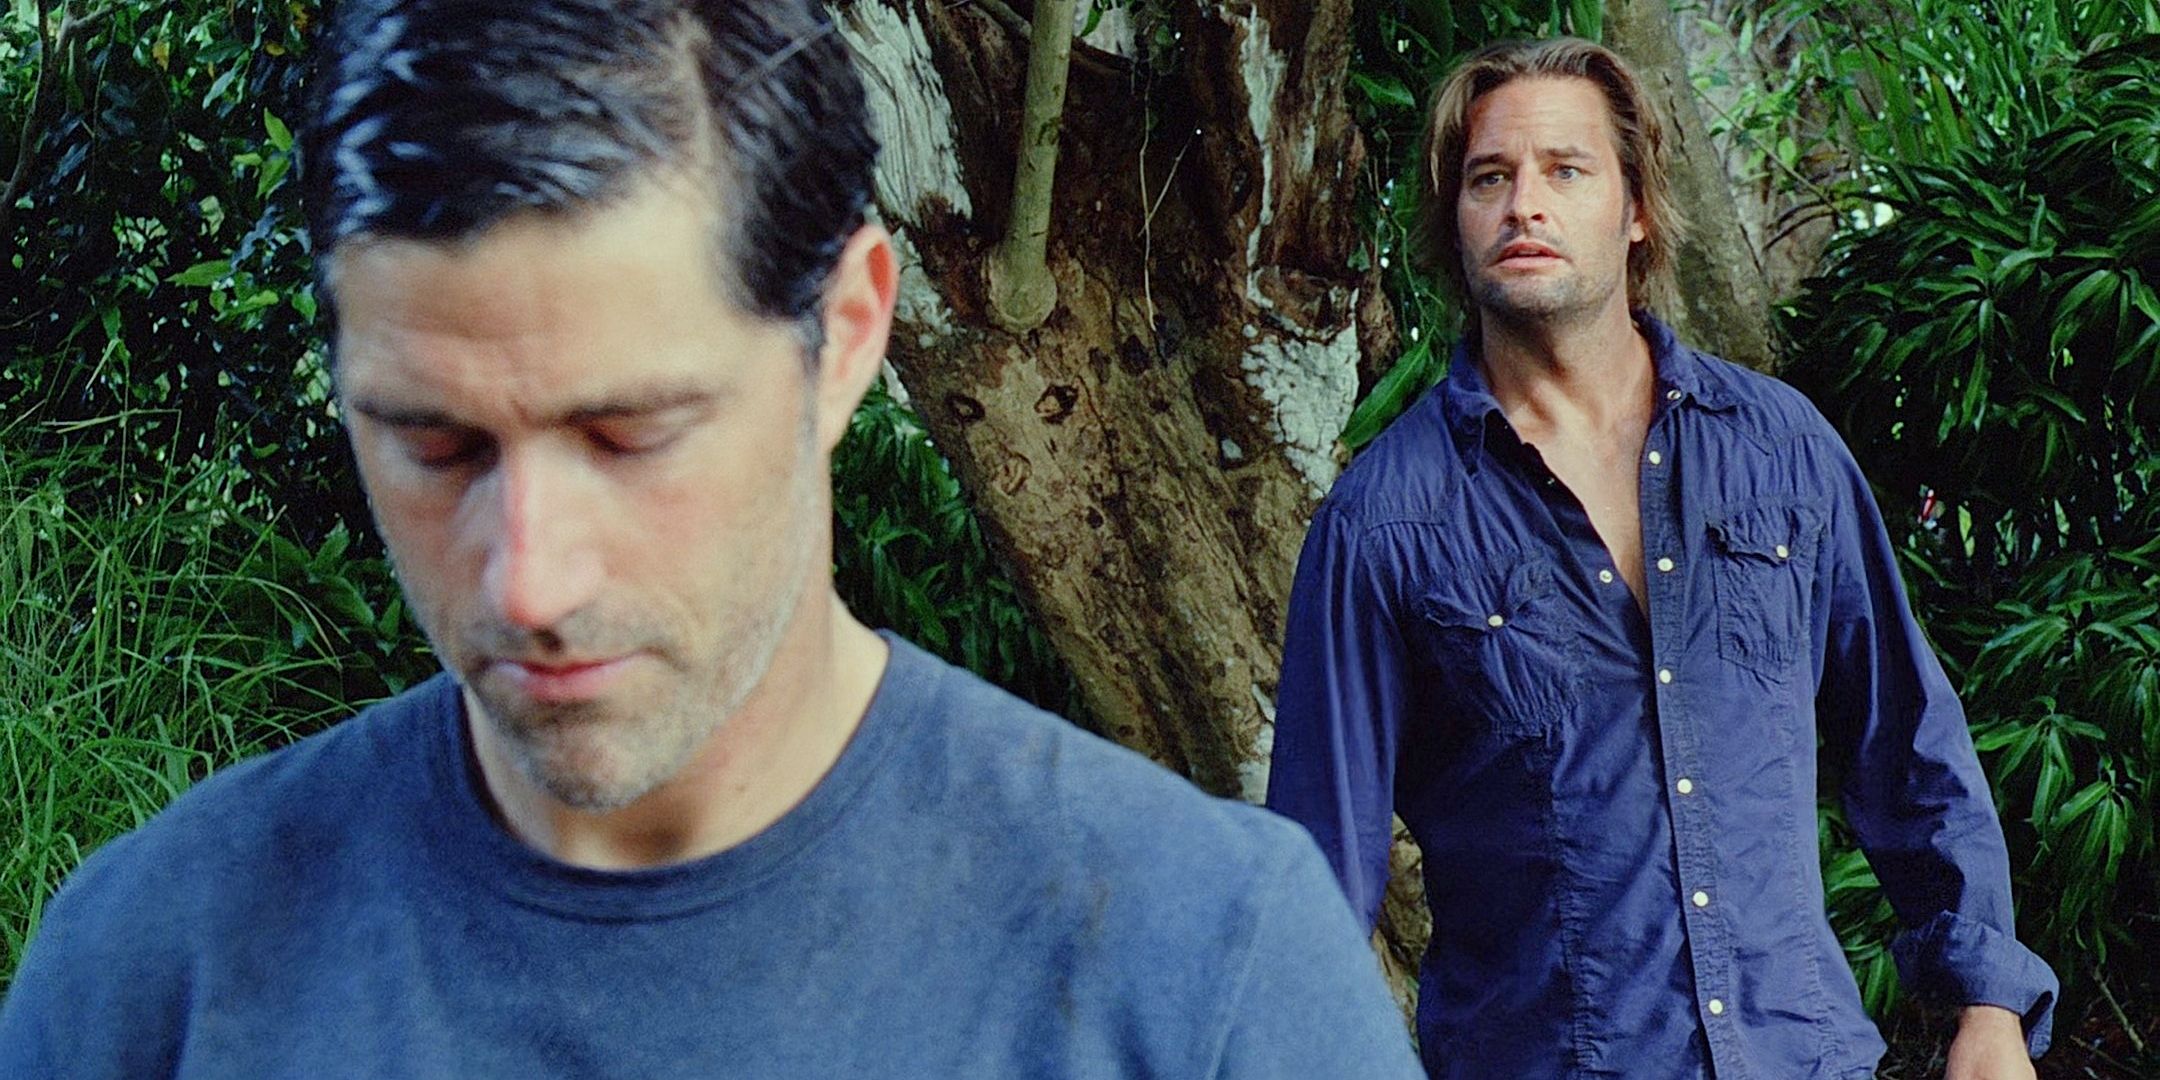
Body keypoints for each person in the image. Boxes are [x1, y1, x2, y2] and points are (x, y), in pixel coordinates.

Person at [0, 2, 1424, 1075]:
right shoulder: (151, 977)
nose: (528, 579)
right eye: (435, 446)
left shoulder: (1213, 983)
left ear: (846, 336)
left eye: (633, 434)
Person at [1265, 36, 2057, 1080]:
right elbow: (1317, 879)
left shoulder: (1781, 450)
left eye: (1565, 170)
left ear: (1636, 208)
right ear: (1453, 220)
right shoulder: (1384, 524)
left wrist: (1989, 1005)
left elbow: (1907, 742)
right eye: (1489, 177)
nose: (1523, 205)